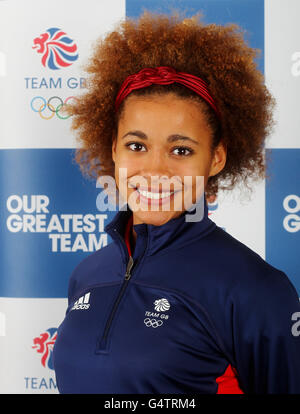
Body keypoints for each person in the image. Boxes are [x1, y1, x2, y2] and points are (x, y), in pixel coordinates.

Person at [52, 11, 300, 394]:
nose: (155, 169)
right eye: (137, 146)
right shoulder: (87, 275)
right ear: (113, 149)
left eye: (181, 149)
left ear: (216, 158)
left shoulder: (255, 289)